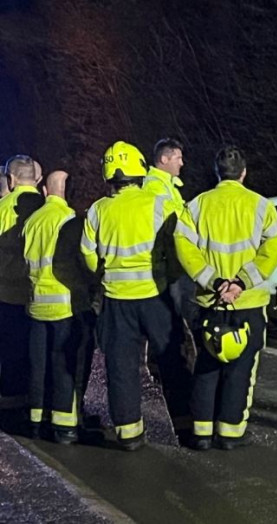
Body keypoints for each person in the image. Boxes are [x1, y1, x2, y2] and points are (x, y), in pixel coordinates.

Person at [174, 145, 277, 450]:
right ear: (244, 173)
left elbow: (184, 245)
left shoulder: (197, 206)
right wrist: (242, 281)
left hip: (211, 301)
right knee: (240, 369)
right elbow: (273, 247)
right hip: (247, 301)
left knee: (207, 365)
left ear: (217, 172)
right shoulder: (261, 206)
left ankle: (202, 433)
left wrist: (213, 281)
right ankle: (231, 433)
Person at [82, 141, 183, 451]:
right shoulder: (158, 204)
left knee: (121, 365)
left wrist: (102, 276)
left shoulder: (99, 210)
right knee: (171, 359)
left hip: (117, 300)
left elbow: (87, 254)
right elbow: (177, 247)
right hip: (155, 296)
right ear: (140, 169)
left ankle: (128, 432)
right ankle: (188, 424)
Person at [23, 170, 97, 443]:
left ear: (45, 191)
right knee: (65, 367)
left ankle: (36, 420)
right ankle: (65, 426)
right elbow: (80, 262)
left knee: (39, 366)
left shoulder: (32, 221)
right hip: (65, 305)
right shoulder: (68, 220)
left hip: (36, 304)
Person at [142, 137, 196, 434]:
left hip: (169, 274)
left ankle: (163, 372)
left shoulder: (166, 188)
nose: (182, 162)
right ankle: (182, 414)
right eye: (178, 157)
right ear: (164, 160)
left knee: (174, 336)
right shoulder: (156, 190)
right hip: (165, 276)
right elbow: (165, 234)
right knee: (173, 339)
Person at [0, 155, 44, 417]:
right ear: (36, 177)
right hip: (40, 293)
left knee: (11, 350)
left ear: (12, 179)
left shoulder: (4, 208)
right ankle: (36, 398)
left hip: (7, 294)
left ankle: (12, 401)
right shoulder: (45, 207)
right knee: (36, 351)